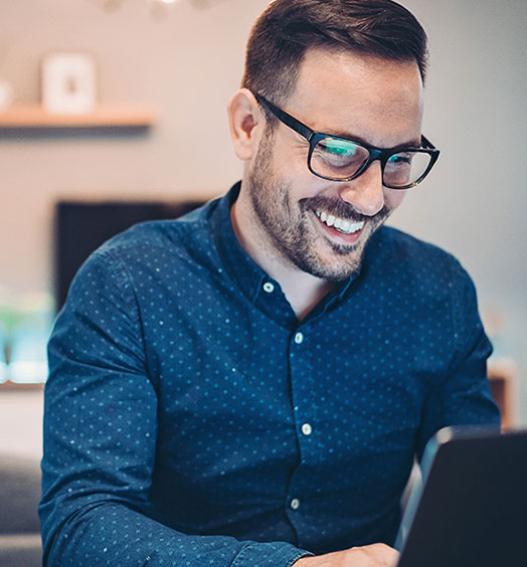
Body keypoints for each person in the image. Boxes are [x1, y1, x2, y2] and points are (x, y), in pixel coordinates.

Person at [40, 1, 500, 565]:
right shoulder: (127, 286)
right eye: (337, 151)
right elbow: (82, 529)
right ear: (248, 126)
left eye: (399, 158)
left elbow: (477, 511)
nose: (373, 197)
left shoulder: (440, 292)